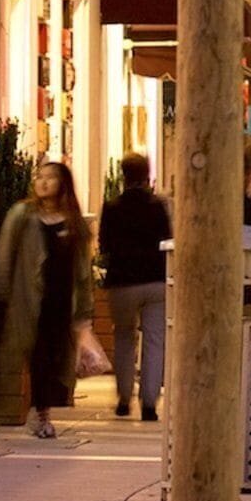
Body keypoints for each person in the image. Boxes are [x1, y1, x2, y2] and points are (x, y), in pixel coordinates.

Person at [0, 162, 88, 440]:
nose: (43, 182)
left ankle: (42, 410)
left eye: (50, 178)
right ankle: (39, 413)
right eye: (39, 177)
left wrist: (84, 310)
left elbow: (82, 269)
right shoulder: (23, 214)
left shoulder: (73, 221)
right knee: (37, 353)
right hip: (29, 299)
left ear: (62, 183)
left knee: (56, 357)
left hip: (61, 299)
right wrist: (0, 292)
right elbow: (5, 255)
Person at [94, 156, 169, 425]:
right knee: (154, 340)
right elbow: (168, 240)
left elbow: (104, 245)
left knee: (124, 338)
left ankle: (124, 399)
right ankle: (149, 404)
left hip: (123, 281)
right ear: (147, 175)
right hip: (155, 281)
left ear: (123, 175)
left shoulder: (112, 207)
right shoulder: (158, 207)